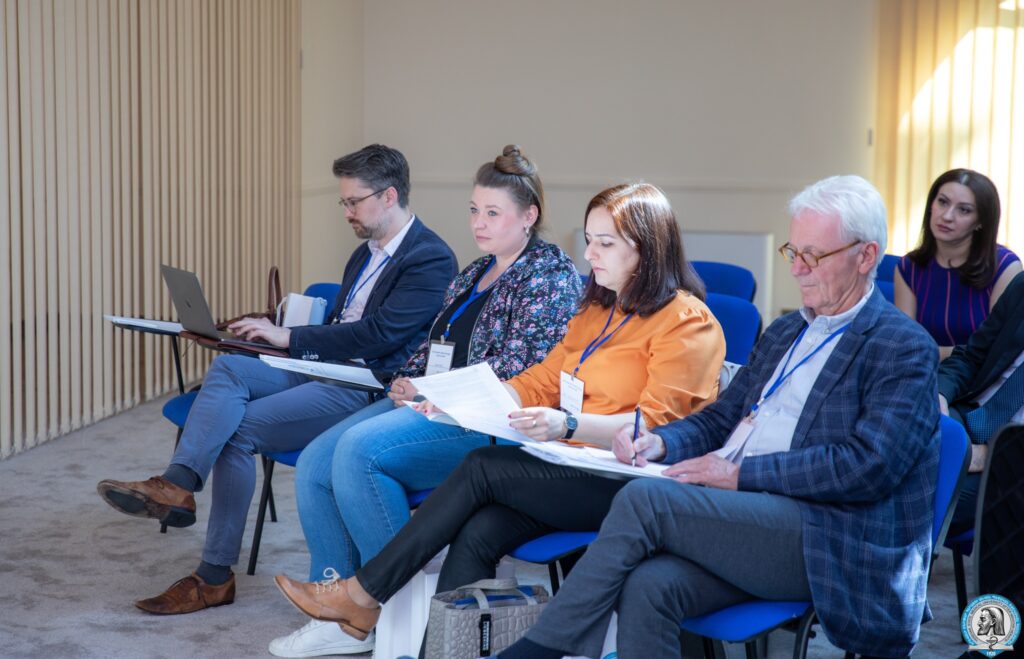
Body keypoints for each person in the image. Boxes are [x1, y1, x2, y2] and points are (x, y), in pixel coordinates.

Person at [499, 175, 942, 659]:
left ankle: (538, 651)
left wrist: (739, 474)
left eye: (813, 256)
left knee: (647, 500)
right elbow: (721, 419)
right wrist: (660, 442)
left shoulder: (901, 346)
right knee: (650, 585)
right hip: (747, 515)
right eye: (793, 252)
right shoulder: (786, 331)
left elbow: (868, 466)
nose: (797, 269)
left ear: (866, 256)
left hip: (828, 536)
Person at [271, 182, 726, 653]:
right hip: (572, 463)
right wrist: (463, 401)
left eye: (605, 243)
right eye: (590, 240)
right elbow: (543, 379)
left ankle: (363, 595)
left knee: (482, 468)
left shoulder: (686, 320)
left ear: (648, 249)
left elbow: (658, 425)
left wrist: (567, 424)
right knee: (478, 531)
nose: (590, 253)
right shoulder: (598, 310)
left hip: (629, 481)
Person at [94, 144, 458, 614]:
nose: (346, 212)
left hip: (364, 385)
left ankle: (213, 577)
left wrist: (290, 338)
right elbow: (341, 325)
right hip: (322, 367)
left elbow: (379, 335)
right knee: (229, 367)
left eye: (354, 201)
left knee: (236, 431)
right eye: (343, 201)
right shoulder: (363, 253)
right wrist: (278, 332)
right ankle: (178, 483)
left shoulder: (430, 258)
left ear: (389, 196)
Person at [268, 145, 582, 655]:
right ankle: (339, 612)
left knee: (360, 453)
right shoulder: (476, 270)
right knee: (316, 462)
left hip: (491, 420)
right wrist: (409, 379)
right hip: (433, 402)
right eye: (474, 210)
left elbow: (521, 370)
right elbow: (437, 342)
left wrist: (431, 390)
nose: (478, 223)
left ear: (530, 216)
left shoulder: (550, 276)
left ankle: (393, 608)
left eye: (493, 213)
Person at [895, 168, 1021, 358]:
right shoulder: (909, 267)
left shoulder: (1005, 267)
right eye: (942, 202)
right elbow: (904, 345)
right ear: (931, 205)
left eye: (964, 210)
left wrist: (931, 352)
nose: (947, 216)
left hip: (980, 375)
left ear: (980, 222)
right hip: (923, 371)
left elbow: (999, 349)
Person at [938, 270, 1024, 536]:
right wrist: (939, 396)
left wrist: (991, 454)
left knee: (927, 498)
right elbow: (971, 356)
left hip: (1012, 457)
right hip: (968, 415)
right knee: (887, 461)